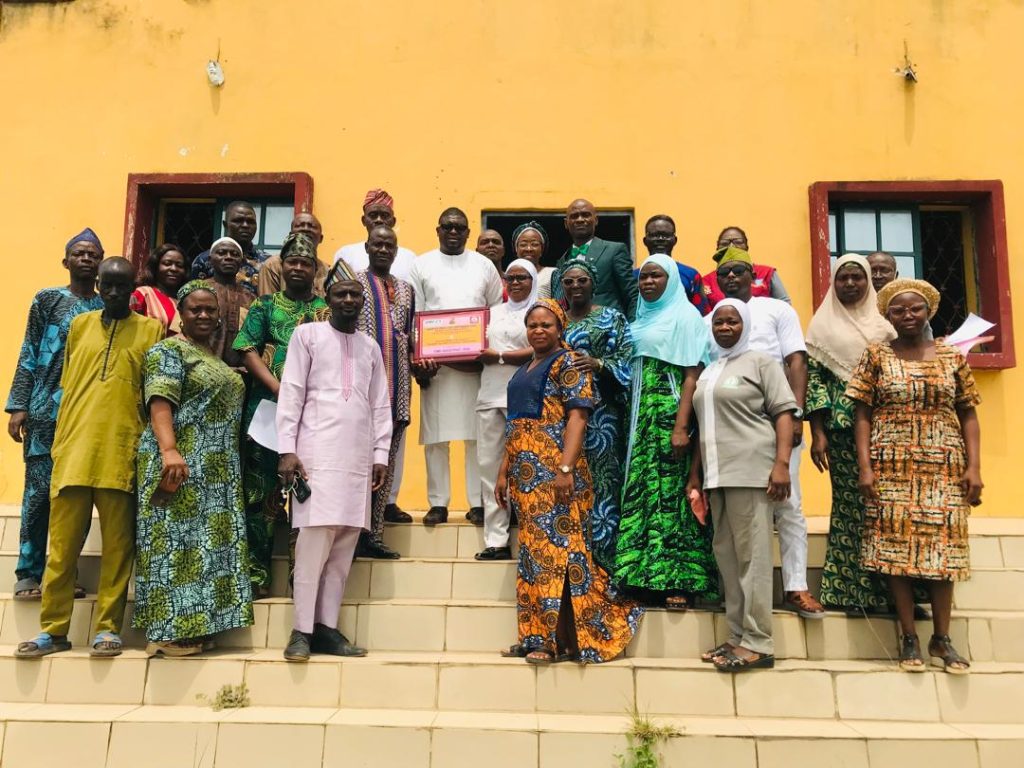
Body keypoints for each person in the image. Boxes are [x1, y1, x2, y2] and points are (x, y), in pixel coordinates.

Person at [15, 258, 164, 658]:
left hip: (121, 450)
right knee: (62, 549)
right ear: (97, 285)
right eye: (107, 285)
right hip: (73, 449)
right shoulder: (79, 326)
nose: (113, 293)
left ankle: (107, 628)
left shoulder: (152, 330)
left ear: (133, 289)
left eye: (121, 286)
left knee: (118, 548)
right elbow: (66, 382)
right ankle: (53, 630)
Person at [848, 279, 982, 674]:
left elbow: (968, 412)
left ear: (928, 312)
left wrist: (974, 467)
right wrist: (865, 467)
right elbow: (862, 413)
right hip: (891, 463)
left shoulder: (951, 356)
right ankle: (908, 636)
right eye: (899, 310)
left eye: (915, 309)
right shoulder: (876, 355)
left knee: (945, 550)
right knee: (896, 549)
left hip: (945, 465)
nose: (907, 315)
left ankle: (942, 638)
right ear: (888, 316)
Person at [498, 298, 643, 663]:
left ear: (560, 328)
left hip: (555, 474)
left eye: (546, 324)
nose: (538, 330)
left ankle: (555, 640)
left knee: (558, 554)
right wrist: (503, 473)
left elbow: (578, 418)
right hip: (525, 479)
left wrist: (565, 469)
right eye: (533, 325)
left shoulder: (569, 363)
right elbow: (515, 425)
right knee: (534, 556)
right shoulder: (522, 370)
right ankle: (534, 634)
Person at [134, 281, 253, 655]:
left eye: (210, 310)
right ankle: (165, 634)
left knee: (199, 548)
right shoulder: (168, 350)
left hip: (214, 470)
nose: (203, 315)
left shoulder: (211, 356)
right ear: (180, 315)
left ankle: (194, 628)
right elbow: (160, 400)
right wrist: (169, 450)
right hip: (180, 464)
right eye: (194, 309)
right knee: (175, 546)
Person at [277, 277, 392, 662]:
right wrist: (287, 449)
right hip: (316, 455)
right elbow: (291, 392)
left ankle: (326, 628)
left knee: (344, 545)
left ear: (362, 302)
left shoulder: (370, 346)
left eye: (354, 294)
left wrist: (380, 454)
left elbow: (380, 404)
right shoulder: (307, 336)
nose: (348, 299)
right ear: (327, 298)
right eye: (340, 293)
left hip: (357, 459)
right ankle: (301, 630)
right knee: (313, 544)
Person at [709, 246, 824, 618]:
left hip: (776, 415)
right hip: (730, 423)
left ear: (753, 276)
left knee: (788, 503)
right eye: (724, 273)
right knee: (733, 512)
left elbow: (796, 360)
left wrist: (796, 414)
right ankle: (735, 594)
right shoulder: (710, 318)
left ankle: (796, 586)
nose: (731, 278)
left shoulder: (777, 310)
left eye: (738, 271)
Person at [690, 299, 797, 672]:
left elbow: (784, 413)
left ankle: (758, 642)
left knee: (753, 559)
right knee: (728, 558)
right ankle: (737, 637)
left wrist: (781, 464)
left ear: (745, 325)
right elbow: (704, 425)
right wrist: (696, 477)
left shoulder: (761, 363)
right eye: (718, 322)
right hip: (717, 475)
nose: (724, 328)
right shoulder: (711, 369)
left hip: (751, 470)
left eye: (732, 321)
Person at [615, 255, 717, 609]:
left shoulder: (686, 317)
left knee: (672, 493)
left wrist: (681, 426)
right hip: (639, 417)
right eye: (643, 277)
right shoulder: (640, 317)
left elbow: (692, 374)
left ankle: (680, 580)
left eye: (656, 276)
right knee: (642, 490)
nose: (648, 282)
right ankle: (643, 576)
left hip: (669, 412)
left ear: (671, 280)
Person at [7, 228, 104, 600]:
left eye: (92, 254)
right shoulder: (47, 299)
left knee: (76, 496)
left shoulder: (105, 307)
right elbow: (29, 350)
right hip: (44, 410)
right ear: (66, 261)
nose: (86, 259)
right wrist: (19, 404)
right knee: (38, 495)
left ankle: (64, 574)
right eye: (79, 253)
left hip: (86, 416)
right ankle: (28, 572)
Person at [233, 233, 328, 595]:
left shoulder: (325, 311)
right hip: (267, 412)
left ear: (315, 269)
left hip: (313, 416)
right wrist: (279, 388)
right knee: (260, 493)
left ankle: (300, 580)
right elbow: (246, 348)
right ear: (282, 267)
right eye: (292, 262)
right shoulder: (265, 306)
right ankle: (256, 578)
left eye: (306, 263)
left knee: (308, 495)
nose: (299, 268)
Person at [806, 254, 899, 614]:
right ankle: (851, 593)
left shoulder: (886, 326)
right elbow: (814, 383)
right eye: (842, 278)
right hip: (842, 430)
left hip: (889, 429)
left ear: (868, 282)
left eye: (856, 278)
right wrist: (818, 433)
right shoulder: (822, 326)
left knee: (890, 508)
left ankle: (900, 594)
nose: (849, 284)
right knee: (851, 508)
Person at [408, 207, 504, 525]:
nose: (453, 232)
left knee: (477, 437)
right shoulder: (421, 264)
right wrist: (420, 358)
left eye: (459, 227)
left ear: (468, 232)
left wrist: (486, 351)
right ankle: (438, 503)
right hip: (436, 367)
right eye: (447, 226)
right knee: (436, 437)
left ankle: (477, 503)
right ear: (437, 230)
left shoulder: (484, 265)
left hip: (475, 367)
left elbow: (496, 311)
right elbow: (415, 314)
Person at [560, 259, 635, 572]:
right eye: (569, 282)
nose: (575, 286)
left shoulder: (611, 317)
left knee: (604, 485)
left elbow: (628, 361)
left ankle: (605, 567)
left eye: (582, 280)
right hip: (561, 417)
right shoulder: (555, 320)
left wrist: (599, 364)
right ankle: (572, 566)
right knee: (567, 482)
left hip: (603, 418)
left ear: (593, 284)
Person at [353, 225, 416, 557]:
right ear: (367, 246)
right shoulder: (352, 284)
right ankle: (351, 534)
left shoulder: (406, 290)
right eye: (377, 244)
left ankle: (373, 536)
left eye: (389, 245)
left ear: (396, 250)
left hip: (397, 392)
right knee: (356, 464)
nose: (382, 249)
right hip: (359, 393)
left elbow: (412, 337)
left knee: (384, 465)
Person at [473, 259, 536, 557]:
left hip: (526, 398)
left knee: (528, 468)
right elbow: (471, 344)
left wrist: (499, 356)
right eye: (510, 278)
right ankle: (496, 541)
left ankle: (531, 538)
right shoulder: (491, 313)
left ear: (533, 280)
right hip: (489, 396)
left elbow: (542, 348)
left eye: (522, 277)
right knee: (489, 468)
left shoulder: (540, 312)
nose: (516, 283)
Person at [552, 199, 638, 320]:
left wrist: (632, 326)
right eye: (574, 216)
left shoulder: (614, 250)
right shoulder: (562, 261)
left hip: (609, 325)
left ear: (596, 220)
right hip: (574, 326)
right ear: (566, 223)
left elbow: (631, 293)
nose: (580, 219)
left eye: (585, 215)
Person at [334, 188, 418, 282]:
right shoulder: (346, 254)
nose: (379, 220)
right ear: (364, 220)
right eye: (373, 215)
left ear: (393, 221)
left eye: (385, 216)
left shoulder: (409, 258)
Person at [635, 215, 710, 315]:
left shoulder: (691, 275)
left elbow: (702, 315)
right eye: (654, 235)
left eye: (666, 235)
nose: (660, 239)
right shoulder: (633, 277)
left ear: (675, 240)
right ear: (645, 240)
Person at [189, 201, 270, 292]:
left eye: (250, 222)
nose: (245, 225)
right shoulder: (205, 260)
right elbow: (193, 295)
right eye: (238, 221)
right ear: (225, 225)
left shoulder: (267, 262)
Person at [702, 226, 791, 308]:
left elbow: (784, 304)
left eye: (738, 242)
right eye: (724, 243)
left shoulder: (767, 273)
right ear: (717, 247)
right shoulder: (706, 282)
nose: (731, 246)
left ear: (747, 246)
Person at [203, 236, 252, 369]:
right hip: (203, 370)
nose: (229, 257)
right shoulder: (197, 290)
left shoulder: (250, 298)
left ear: (241, 261)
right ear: (210, 260)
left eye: (234, 254)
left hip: (241, 373)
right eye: (222, 253)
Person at [256, 213, 332, 298]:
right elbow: (268, 303)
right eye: (300, 225)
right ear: (291, 234)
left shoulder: (327, 270)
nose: (306, 229)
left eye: (312, 226)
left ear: (321, 238)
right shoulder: (272, 265)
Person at [130, 243, 188, 335]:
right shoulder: (143, 294)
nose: (174, 269)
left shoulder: (185, 301)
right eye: (167, 264)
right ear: (155, 267)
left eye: (179, 265)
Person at [512, 220, 557, 299]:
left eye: (534, 244)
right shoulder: (509, 276)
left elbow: (560, 305)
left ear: (542, 249)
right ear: (516, 249)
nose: (529, 249)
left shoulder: (552, 274)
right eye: (523, 244)